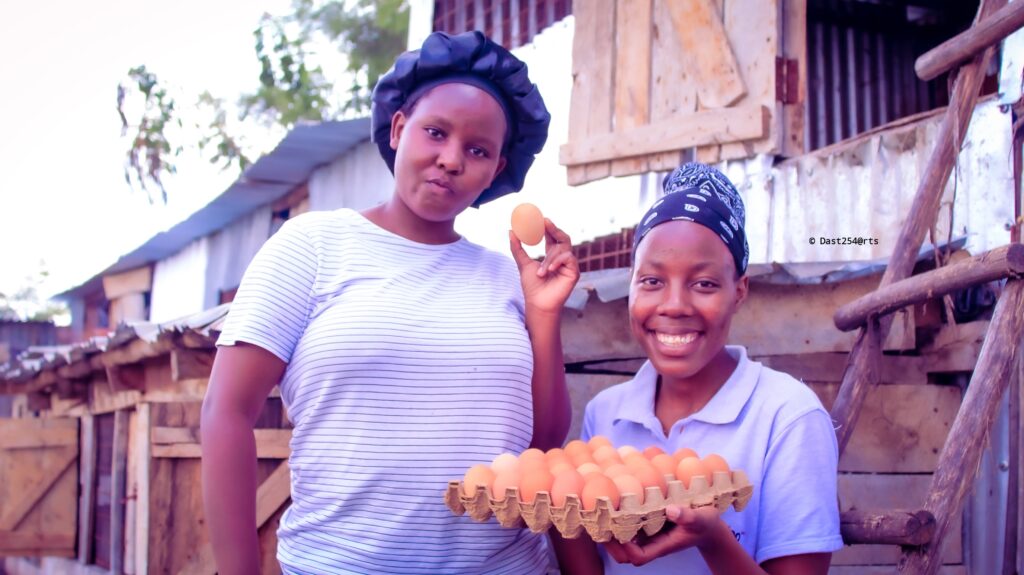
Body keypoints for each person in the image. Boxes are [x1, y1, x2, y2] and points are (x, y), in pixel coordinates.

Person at [200, 30, 579, 575]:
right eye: (435, 132)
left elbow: (540, 445)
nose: (451, 159)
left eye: (477, 150)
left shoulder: (507, 277)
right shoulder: (312, 246)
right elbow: (225, 413)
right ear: (399, 129)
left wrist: (543, 316)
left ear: (496, 170)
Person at [553, 163, 843, 575]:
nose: (674, 305)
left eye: (704, 284)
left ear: (738, 291)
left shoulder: (787, 417)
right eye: (652, 281)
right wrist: (559, 514)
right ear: (631, 285)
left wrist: (713, 539)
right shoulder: (607, 413)